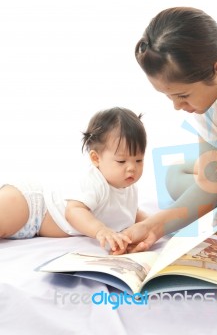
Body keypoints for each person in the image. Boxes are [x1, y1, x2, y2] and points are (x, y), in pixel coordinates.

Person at [117, 7, 217, 263]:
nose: (177, 107)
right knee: (178, 174)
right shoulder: (207, 86)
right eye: (169, 96)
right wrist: (152, 227)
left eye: (182, 96)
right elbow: (210, 182)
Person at [0, 107, 148, 252]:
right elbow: (73, 211)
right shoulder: (95, 181)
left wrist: (158, 225)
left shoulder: (129, 188)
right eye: (121, 161)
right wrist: (100, 230)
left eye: (139, 160)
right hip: (33, 207)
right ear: (96, 158)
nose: (132, 168)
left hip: (35, 229)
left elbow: (133, 213)